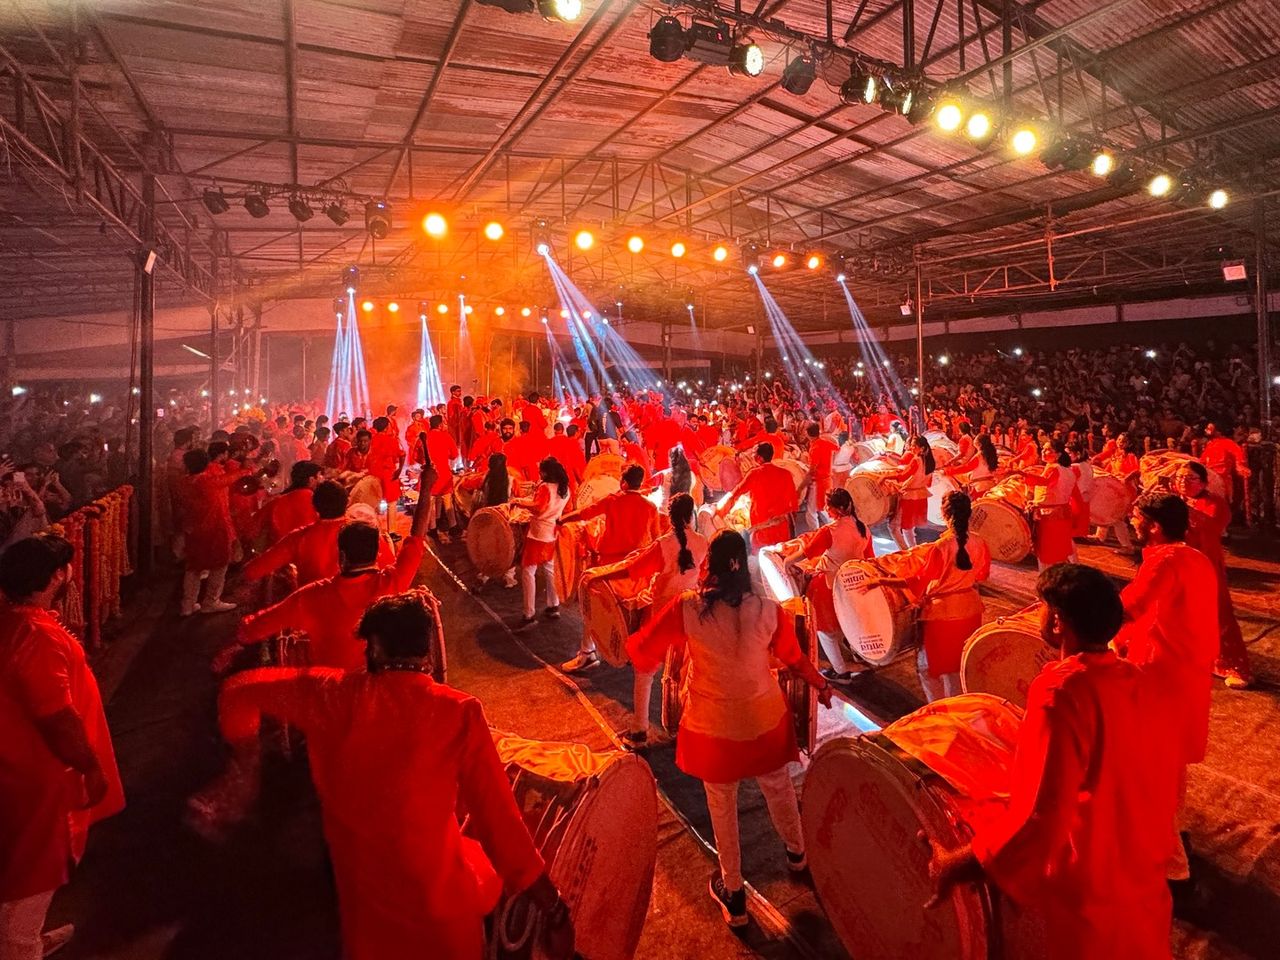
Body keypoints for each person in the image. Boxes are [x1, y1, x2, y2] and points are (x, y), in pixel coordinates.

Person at [213, 591, 574, 960]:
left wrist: (246, 767)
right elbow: (501, 826)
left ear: (374, 646)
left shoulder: (327, 693)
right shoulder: (458, 713)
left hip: (366, 925)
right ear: (427, 650)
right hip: (443, 924)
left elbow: (237, 690)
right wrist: (554, 909)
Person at [927, 563, 1181, 960]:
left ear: (1058, 622)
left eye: (1041, 607)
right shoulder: (1135, 679)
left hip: (1092, 883)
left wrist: (957, 864)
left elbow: (1042, 816)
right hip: (1143, 867)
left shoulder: (1060, 691)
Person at [626, 531, 832, 928]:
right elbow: (796, 660)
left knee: (722, 803)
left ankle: (734, 893)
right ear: (745, 565)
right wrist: (822, 687)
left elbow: (644, 648)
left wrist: (619, 632)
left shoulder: (687, 607)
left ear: (710, 566)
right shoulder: (769, 610)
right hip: (764, 719)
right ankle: (798, 853)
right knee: (778, 786)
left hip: (712, 726)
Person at [0, 534, 124, 959]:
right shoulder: (35, 634)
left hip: (17, 769)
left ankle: (27, 940)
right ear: (56, 576)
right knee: (29, 880)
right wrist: (90, 765)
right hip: (39, 779)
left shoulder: (14, 621)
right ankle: (21, 947)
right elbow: (55, 716)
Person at [214, 476, 431, 673]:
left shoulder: (309, 592)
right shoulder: (387, 580)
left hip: (325, 673)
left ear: (342, 557)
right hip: (375, 677)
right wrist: (426, 487)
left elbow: (253, 576)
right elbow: (415, 541)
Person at [1117, 492, 1219, 887]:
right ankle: (1172, 836)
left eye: (1135, 516)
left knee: (1151, 771)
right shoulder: (1195, 558)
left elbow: (1127, 609)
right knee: (1169, 767)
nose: (1131, 521)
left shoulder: (1164, 561)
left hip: (1161, 677)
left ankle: (1172, 866)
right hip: (1186, 677)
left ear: (1154, 526)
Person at [580, 493, 708, 746]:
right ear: (691, 515)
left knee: (644, 670)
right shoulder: (703, 542)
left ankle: (639, 729)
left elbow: (631, 570)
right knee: (686, 673)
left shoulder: (664, 545)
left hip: (661, 615)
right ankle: (687, 726)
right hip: (690, 614)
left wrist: (600, 575)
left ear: (670, 517)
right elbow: (703, 575)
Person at [781, 488, 872, 685]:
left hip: (828, 585)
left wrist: (786, 562)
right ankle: (860, 656)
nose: (825, 509)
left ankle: (840, 672)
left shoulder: (830, 531)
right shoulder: (863, 528)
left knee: (826, 631)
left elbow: (806, 553)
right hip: (853, 582)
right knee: (849, 623)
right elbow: (869, 559)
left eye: (828, 506)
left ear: (837, 509)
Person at [1175, 461, 1252, 688]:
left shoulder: (1215, 503)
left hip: (1205, 563)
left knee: (1218, 615)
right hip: (1180, 563)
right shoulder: (1177, 501)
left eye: (1190, 478)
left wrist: (1182, 511)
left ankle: (1236, 667)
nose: (1183, 482)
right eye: (1179, 477)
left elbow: (1211, 527)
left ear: (1203, 483)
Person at [240, 481, 393, 588]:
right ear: (347, 503)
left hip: (312, 610)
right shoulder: (365, 533)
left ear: (314, 506)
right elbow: (391, 568)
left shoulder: (299, 538)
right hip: (356, 612)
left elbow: (251, 572)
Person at [177, 445, 245, 616]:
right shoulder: (206, 481)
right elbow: (229, 479)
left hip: (193, 529)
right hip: (215, 529)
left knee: (194, 567)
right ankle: (211, 601)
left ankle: (187, 605)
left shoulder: (184, 481)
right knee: (220, 565)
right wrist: (246, 471)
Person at [559, 464, 659, 569]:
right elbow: (656, 538)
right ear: (640, 483)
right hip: (636, 562)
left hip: (609, 562)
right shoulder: (650, 507)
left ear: (624, 482)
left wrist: (563, 519)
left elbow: (583, 514)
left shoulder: (612, 500)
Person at [510, 458, 570, 627]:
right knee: (549, 568)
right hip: (552, 533)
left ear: (546, 472)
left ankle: (528, 614)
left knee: (528, 571)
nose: (539, 474)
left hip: (538, 534)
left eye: (541, 471)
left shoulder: (546, 487)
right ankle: (553, 605)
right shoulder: (565, 489)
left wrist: (520, 503)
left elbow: (538, 507)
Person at [716, 442, 798, 551]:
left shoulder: (754, 474)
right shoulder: (786, 474)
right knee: (780, 558)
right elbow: (794, 505)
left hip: (762, 533)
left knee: (761, 557)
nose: (752, 455)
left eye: (754, 453)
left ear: (759, 458)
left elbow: (735, 493)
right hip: (782, 531)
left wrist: (719, 513)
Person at [1013, 439, 1079, 571]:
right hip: (1063, 514)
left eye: (1048, 449)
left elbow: (1044, 481)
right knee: (1061, 548)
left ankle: (1045, 577)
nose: (1043, 451)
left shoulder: (1053, 468)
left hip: (1049, 517)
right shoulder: (1069, 470)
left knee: (1045, 551)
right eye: (1043, 448)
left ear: (1058, 454)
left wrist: (1022, 474)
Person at [884, 434, 934, 551]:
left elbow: (902, 476)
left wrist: (886, 477)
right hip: (920, 497)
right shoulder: (930, 462)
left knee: (894, 527)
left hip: (909, 498)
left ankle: (907, 551)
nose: (911, 448)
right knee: (908, 528)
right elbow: (929, 483)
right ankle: (912, 549)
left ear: (922, 448)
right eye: (911, 445)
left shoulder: (916, 460)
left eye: (914, 446)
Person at [1091, 431, 1138, 552]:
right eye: (1119, 440)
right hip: (1115, 485)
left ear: (1130, 443)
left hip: (1126, 488)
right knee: (1107, 510)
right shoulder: (1115, 453)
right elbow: (1105, 463)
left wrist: (1125, 479)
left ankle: (1127, 546)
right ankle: (1100, 537)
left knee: (1117, 517)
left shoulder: (1130, 455)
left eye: (1124, 441)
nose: (1120, 443)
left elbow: (1137, 470)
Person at [254, 460, 322, 545]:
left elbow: (253, 527)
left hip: (277, 549)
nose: (322, 479)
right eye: (319, 476)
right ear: (311, 480)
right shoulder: (317, 503)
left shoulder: (275, 501)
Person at [805, 422, 839, 528]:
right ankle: (835, 529)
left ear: (807, 434)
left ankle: (816, 533)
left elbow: (812, 470)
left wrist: (801, 486)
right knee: (825, 508)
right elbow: (837, 448)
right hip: (828, 481)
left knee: (812, 512)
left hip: (818, 483)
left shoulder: (815, 448)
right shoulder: (825, 442)